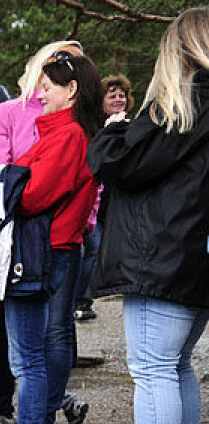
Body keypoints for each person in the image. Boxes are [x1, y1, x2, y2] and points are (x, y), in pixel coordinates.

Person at [84, 8, 209, 424]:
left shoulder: (181, 105)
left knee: (154, 366)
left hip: (163, 253)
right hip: (193, 255)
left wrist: (113, 129)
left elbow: (120, 164)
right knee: (176, 365)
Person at [0, 51, 102, 424]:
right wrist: (7, 173)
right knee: (30, 355)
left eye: (47, 87)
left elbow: (31, 195)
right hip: (46, 249)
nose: (39, 94)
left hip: (43, 252)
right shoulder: (60, 134)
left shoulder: (68, 137)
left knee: (28, 358)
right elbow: (26, 181)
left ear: (72, 90)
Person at [74, 73, 134, 322]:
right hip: (94, 201)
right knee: (93, 248)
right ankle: (80, 300)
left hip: (116, 203)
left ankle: (88, 298)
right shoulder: (93, 126)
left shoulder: (132, 125)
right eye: (112, 95)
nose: (118, 99)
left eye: (122, 95)